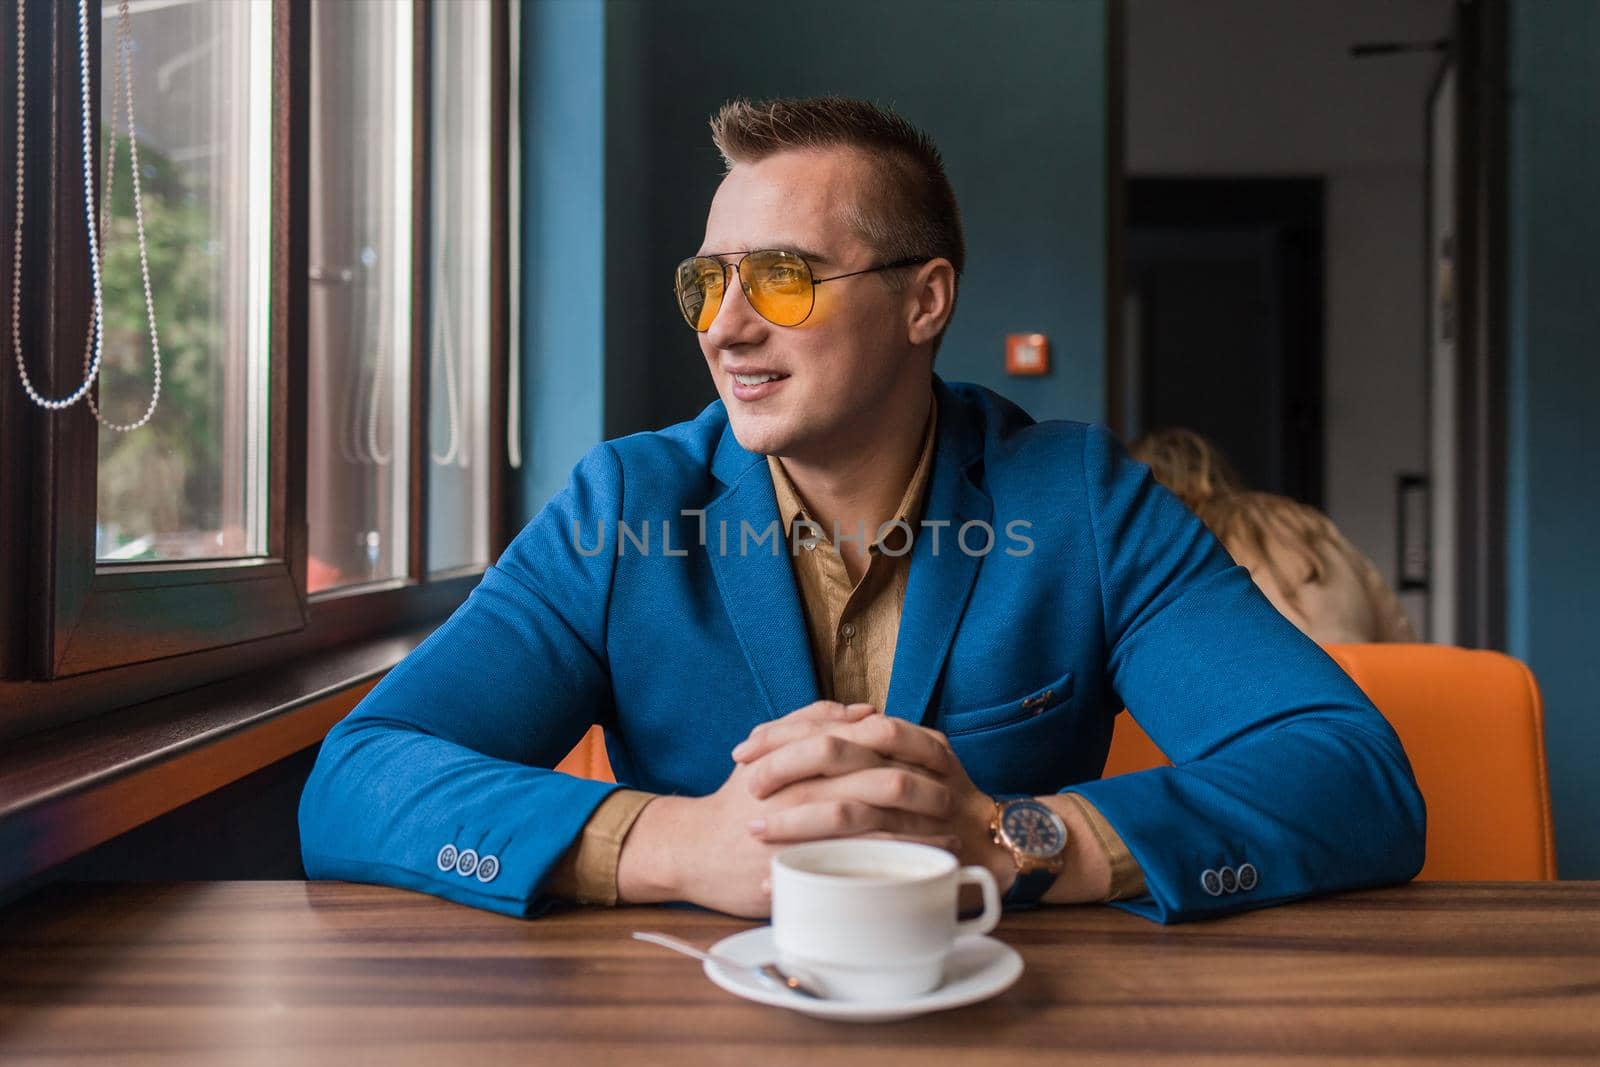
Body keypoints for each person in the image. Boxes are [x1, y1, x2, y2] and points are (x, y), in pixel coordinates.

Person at [299, 97, 1424, 924]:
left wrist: (1018, 836)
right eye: (706, 282)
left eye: (781, 278)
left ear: (923, 299)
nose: (726, 328)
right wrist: (677, 842)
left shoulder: (1078, 497)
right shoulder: (626, 503)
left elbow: (1352, 774)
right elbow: (356, 780)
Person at [1128, 428, 1418, 644]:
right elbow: (1402, 640)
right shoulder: (1306, 522)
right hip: (1365, 701)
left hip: (1277, 710)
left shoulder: (1185, 544)